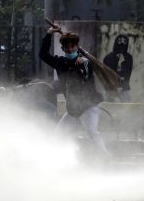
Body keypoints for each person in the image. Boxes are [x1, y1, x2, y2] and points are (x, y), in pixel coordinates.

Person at [39, 24, 110, 158]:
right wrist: (48, 34)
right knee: (59, 133)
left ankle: (106, 157)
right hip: (73, 108)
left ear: (77, 47)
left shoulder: (85, 63)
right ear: (63, 49)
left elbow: (85, 83)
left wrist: (81, 65)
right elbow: (43, 54)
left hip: (89, 106)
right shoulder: (60, 63)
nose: (70, 49)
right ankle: (59, 157)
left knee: (92, 131)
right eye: (67, 47)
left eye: (73, 47)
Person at [103, 34, 133, 101]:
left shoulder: (128, 57)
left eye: (124, 41)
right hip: (110, 89)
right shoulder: (108, 57)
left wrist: (122, 85)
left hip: (124, 88)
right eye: (119, 41)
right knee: (110, 107)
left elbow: (128, 73)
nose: (122, 44)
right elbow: (106, 74)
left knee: (126, 108)